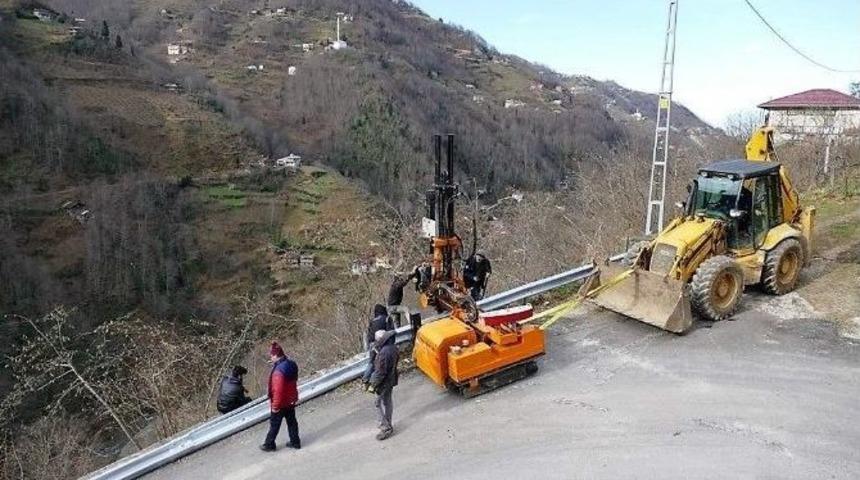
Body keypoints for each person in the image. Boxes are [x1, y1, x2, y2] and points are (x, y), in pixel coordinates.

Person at [260, 342, 301, 452]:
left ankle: (269, 444)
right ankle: (295, 442)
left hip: (281, 402)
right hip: (291, 399)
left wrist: (275, 405)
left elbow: (278, 390)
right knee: (292, 422)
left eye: (271, 355)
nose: (271, 358)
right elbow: (294, 381)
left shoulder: (278, 371)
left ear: (275, 355)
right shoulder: (292, 364)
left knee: (274, 424)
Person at [367, 329, 398, 441]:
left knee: (377, 403)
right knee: (388, 402)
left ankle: (385, 427)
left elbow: (380, 372)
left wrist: (372, 385)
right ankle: (388, 423)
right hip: (391, 380)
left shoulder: (383, 353)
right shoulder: (394, 348)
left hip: (383, 383)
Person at [362, 304, 392, 384]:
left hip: (372, 344)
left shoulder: (372, 321)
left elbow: (369, 334)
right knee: (383, 360)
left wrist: (369, 345)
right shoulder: (387, 318)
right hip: (381, 344)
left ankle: (365, 378)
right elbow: (390, 332)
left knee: (371, 362)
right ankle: (377, 379)